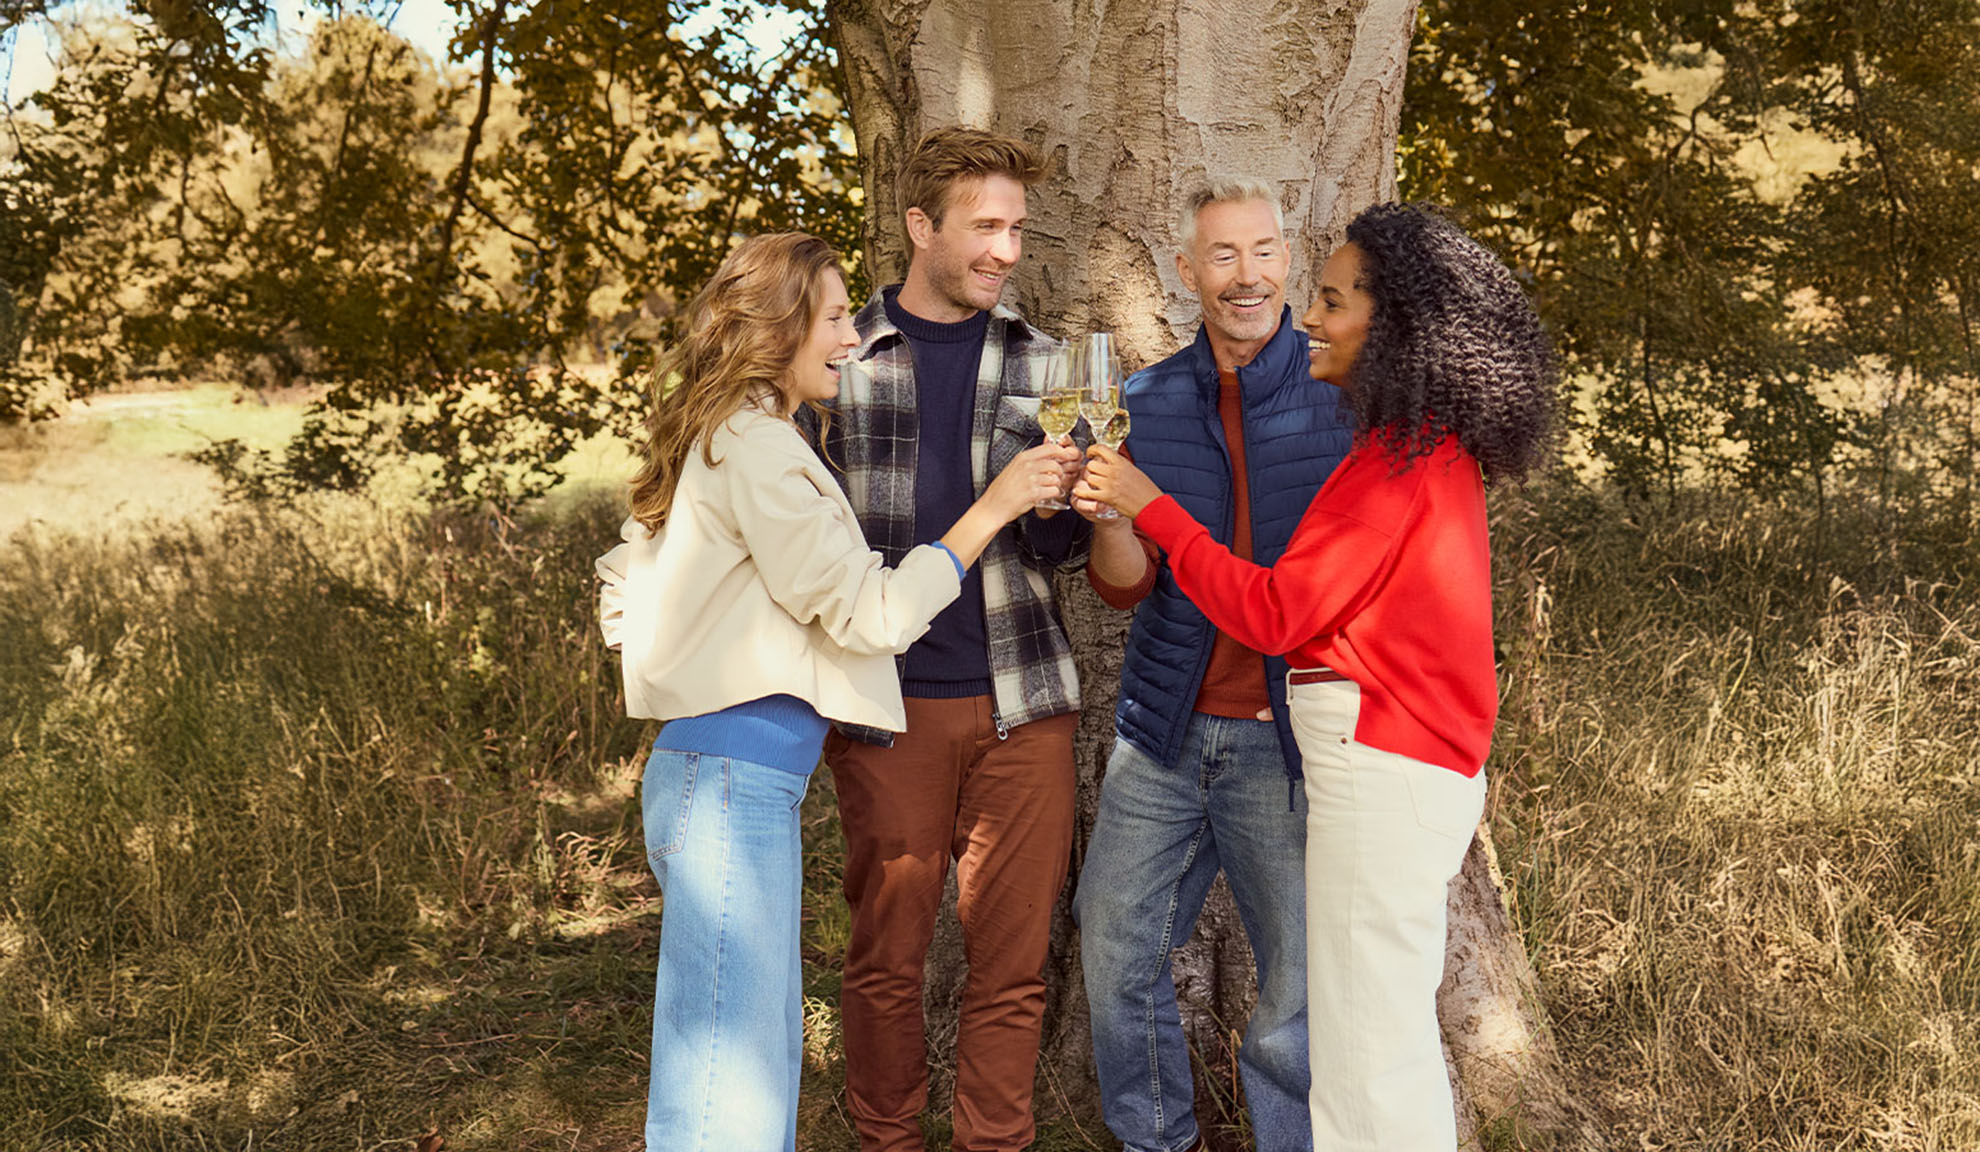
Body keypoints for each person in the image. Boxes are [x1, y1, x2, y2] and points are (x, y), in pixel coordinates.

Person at [1077, 202, 1556, 1152]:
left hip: (1384, 769)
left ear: (1393, 325)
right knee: (1369, 1042)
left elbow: (1276, 613)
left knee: (1364, 1050)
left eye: (1330, 301)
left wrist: (1156, 510)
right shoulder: (1405, 444)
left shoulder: (1398, 462)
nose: (1309, 318)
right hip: (1369, 762)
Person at [595, 232, 1074, 1152]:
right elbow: (878, 617)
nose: (852, 338)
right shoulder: (757, 446)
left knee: (747, 1054)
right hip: (729, 782)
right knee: (724, 1084)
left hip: (737, 777)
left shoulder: (739, 437)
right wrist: (996, 506)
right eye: (829, 319)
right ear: (777, 333)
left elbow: (625, 583)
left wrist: (695, 647)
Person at [799, 126, 1089, 1152]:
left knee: (1013, 971)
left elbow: (1051, 550)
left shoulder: (1046, 363)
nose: (1008, 249)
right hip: (888, 703)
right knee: (888, 961)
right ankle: (884, 1139)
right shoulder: (841, 361)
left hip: (1025, 704)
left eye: (1017, 227)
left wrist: (1076, 501)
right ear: (920, 226)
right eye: (986, 226)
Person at [1069, 178, 1354, 1152]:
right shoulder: (1142, 401)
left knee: (1298, 987)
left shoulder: (1339, 399)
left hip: (1290, 746)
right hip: (1165, 730)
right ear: (1186, 274)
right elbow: (1122, 586)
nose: (1247, 276)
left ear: (1288, 260)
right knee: (1112, 940)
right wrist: (1111, 516)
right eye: (1222, 256)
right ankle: (1159, 1141)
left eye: (1264, 251)